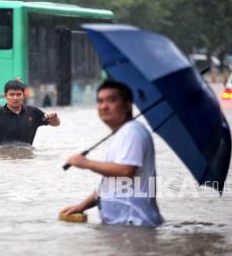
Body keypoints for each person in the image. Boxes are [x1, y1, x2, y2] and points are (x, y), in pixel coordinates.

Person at [60, 80, 163, 227]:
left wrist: (86, 163)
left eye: (111, 100)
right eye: (100, 101)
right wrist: (82, 206)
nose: (104, 106)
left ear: (128, 105)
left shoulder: (132, 132)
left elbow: (126, 171)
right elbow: (112, 185)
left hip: (134, 226)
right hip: (122, 227)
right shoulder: (123, 133)